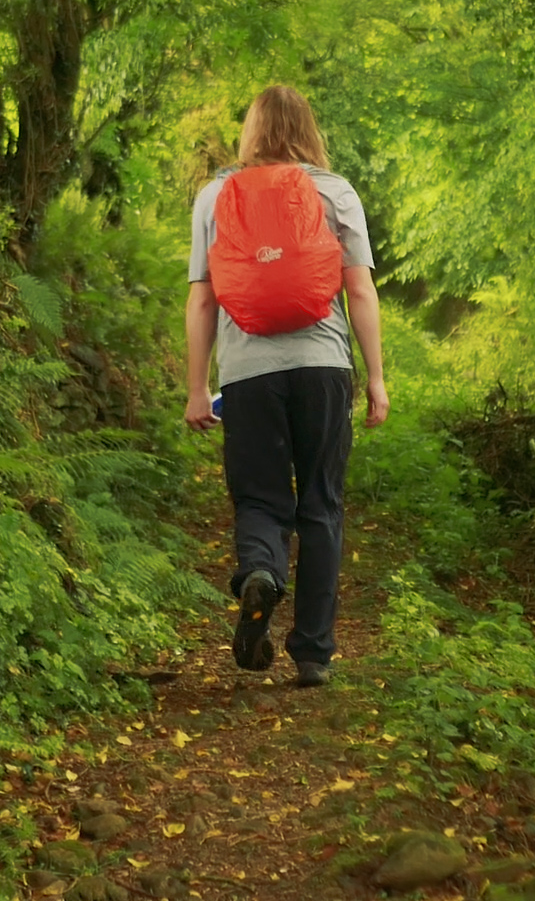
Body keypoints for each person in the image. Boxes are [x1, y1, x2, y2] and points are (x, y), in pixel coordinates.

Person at [184, 85, 388, 689]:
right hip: (324, 368)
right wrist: (375, 378)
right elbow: (360, 292)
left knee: (260, 498)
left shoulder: (215, 196)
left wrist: (198, 387)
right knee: (322, 505)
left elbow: (201, 299)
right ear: (309, 129)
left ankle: (262, 572)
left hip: (248, 375)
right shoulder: (335, 191)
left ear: (250, 131)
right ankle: (313, 654)